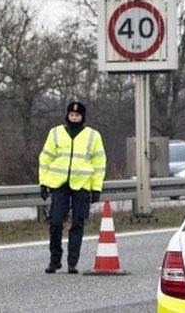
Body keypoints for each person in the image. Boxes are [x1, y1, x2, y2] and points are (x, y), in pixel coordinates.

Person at [38, 101, 107, 274]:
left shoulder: (93, 136)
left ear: (82, 117)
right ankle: (55, 260)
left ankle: (72, 262)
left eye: (77, 115)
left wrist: (96, 187)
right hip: (59, 184)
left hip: (82, 185)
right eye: (71, 115)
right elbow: (45, 159)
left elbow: (99, 163)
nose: (74, 117)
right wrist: (43, 183)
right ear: (67, 115)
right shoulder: (55, 133)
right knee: (55, 223)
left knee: (78, 223)